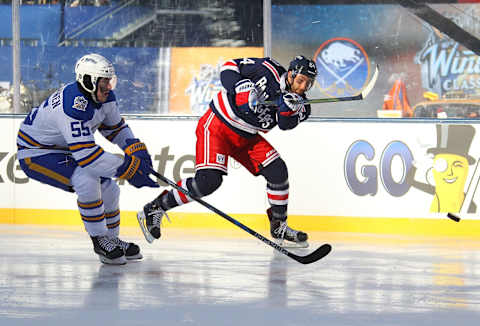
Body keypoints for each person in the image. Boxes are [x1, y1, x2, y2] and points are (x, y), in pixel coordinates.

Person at [138, 55, 317, 247]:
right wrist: (240, 85)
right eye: (300, 80)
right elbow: (229, 66)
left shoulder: (302, 106)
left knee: (278, 171)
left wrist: (287, 111)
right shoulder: (268, 68)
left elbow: (285, 125)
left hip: (246, 137)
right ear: (290, 75)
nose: (302, 87)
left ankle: (279, 226)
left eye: (308, 83)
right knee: (208, 182)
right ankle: (155, 208)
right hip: (218, 126)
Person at [16, 53, 159, 265]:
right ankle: (100, 239)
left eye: (110, 80)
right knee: (86, 177)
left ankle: (112, 240)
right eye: (104, 81)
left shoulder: (103, 96)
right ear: (88, 80)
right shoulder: (72, 106)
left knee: (110, 188)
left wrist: (134, 148)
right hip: (36, 152)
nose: (109, 86)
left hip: (63, 149)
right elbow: (88, 157)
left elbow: (115, 128)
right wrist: (128, 167)